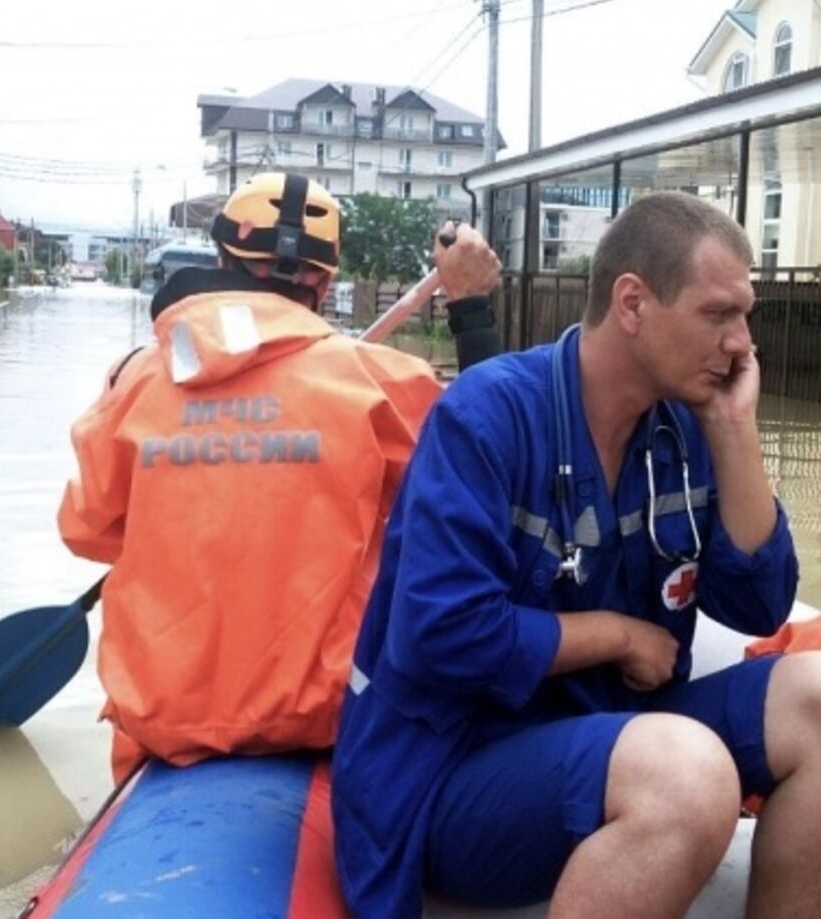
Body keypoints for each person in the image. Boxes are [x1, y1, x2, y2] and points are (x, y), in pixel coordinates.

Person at [333, 191, 821, 918]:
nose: (743, 343)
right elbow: (440, 633)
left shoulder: (685, 427)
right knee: (685, 778)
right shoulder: (487, 415)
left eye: (743, 315)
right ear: (632, 303)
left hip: (616, 730)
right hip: (454, 773)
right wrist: (619, 635)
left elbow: (756, 605)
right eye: (719, 314)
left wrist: (734, 428)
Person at [57, 171, 503, 780]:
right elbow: (494, 464)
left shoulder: (132, 380)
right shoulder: (380, 382)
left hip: (161, 723)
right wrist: (472, 310)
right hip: (324, 720)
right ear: (324, 281)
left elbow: (87, 532)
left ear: (220, 257)